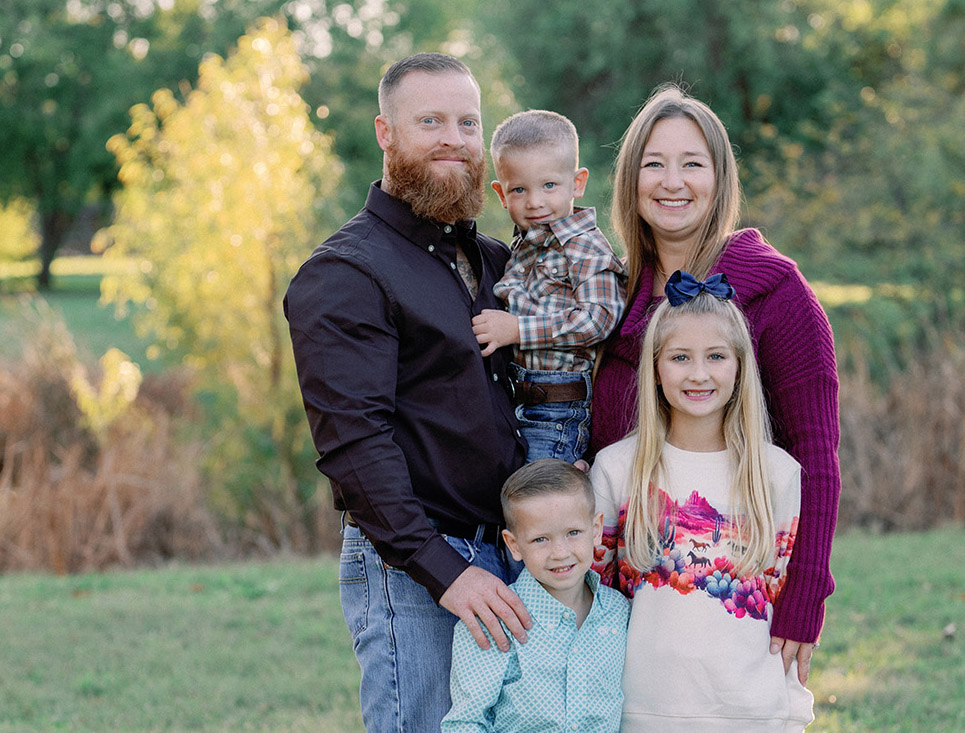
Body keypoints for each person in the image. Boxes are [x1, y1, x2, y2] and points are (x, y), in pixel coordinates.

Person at [283, 52, 533, 732]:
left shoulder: (494, 261)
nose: (453, 137)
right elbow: (355, 448)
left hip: (513, 556)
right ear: (386, 133)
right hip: (415, 568)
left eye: (467, 121)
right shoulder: (344, 274)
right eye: (430, 120)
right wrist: (446, 571)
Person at [589, 85, 841, 684]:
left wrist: (805, 599)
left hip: (730, 600)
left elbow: (816, 461)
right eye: (654, 164)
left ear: (720, 178)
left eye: (692, 164)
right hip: (623, 601)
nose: (672, 181)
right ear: (630, 180)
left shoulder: (778, 296)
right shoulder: (607, 298)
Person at [591, 273, 814, 731]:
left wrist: (791, 713)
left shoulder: (776, 474)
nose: (698, 373)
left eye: (716, 356)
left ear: (739, 365)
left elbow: (782, 602)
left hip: (751, 714)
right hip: (640, 711)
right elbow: (596, 601)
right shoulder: (616, 468)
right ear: (655, 368)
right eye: (679, 357)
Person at [472, 110, 626, 464]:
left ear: (578, 182)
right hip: (517, 401)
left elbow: (599, 318)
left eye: (549, 186)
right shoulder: (524, 246)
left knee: (539, 503)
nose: (535, 202)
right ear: (501, 193)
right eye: (519, 189)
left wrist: (517, 330)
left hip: (559, 411)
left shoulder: (585, 247)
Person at [442, 459, 630, 732]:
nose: (560, 552)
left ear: (597, 530)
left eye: (573, 533)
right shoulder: (495, 622)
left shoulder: (617, 611)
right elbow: (465, 723)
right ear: (514, 545)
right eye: (541, 539)